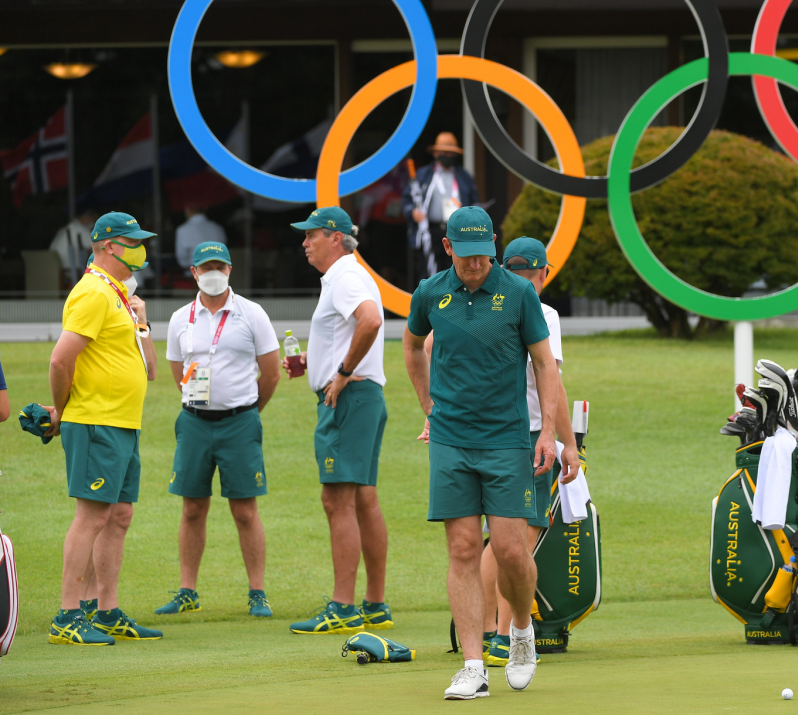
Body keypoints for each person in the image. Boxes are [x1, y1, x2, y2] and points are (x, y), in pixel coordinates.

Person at [403, 207, 580, 700]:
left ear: (494, 247)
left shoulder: (520, 295)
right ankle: (473, 665)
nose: (476, 265)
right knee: (461, 549)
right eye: (467, 256)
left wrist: (549, 433)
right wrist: (427, 406)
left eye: (484, 255)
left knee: (509, 550)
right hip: (451, 440)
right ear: (448, 248)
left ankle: (521, 630)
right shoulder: (431, 292)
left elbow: (546, 366)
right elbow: (412, 345)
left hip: (507, 439)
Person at [43, 211, 161, 645]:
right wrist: (60, 410)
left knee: (119, 515)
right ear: (109, 245)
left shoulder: (118, 294)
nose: (140, 248)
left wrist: (142, 321)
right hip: (95, 420)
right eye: (133, 241)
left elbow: (149, 370)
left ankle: (105, 610)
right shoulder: (93, 292)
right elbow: (60, 358)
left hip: (121, 422)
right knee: (91, 517)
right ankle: (68, 615)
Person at [157, 242, 281, 618]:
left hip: (240, 422)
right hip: (194, 422)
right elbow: (178, 371)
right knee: (192, 507)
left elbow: (271, 372)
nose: (213, 273)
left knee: (245, 510)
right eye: (206, 267)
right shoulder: (181, 317)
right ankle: (187, 590)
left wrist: (247, 410)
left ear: (229, 270)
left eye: (220, 266)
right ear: (193, 272)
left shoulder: (251, 313)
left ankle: (257, 591)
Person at [286, 207, 392, 635]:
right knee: (364, 499)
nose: (304, 243)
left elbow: (370, 320)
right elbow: (353, 330)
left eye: (310, 235)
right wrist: (315, 361)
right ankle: (375, 603)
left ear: (334, 237)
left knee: (337, 500)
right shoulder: (347, 274)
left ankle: (343, 606)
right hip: (363, 396)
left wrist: (342, 372)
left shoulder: (346, 275)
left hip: (350, 398)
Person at [482, 237, 578, 667]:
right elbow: (550, 383)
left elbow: (427, 347)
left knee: (492, 541)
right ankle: (505, 635)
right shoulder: (542, 312)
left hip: (485, 434)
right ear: (543, 272)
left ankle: (487, 632)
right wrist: (569, 444)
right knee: (519, 539)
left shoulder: (484, 305)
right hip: (529, 436)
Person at [401, 132, 479, 284]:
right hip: (430, 232)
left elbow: (475, 201)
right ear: (436, 153)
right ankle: (429, 304)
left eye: (450, 153)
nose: (447, 155)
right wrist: (412, 212)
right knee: (429, 271)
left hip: (458, 232)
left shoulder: (464, 176)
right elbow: (407, 200)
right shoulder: (423, 175)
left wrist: (471, 213)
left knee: (456, 270)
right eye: (444, 152)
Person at [175, 203, 227, 270]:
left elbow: (182, 258)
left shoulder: (182, 230)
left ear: (187, 209)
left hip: (193, 275)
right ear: (205, 208)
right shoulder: (217, 228)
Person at [50, 210, 97, 283]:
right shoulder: (78, 228)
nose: (93, 224)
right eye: (93, 220)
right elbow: (97, 249)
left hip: (52, 269)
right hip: (69, 271)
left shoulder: (64, 229)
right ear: (86, 217)